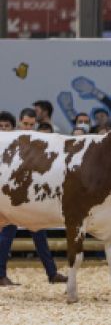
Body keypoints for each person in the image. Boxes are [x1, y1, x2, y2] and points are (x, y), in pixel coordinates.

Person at [0, 110, 67, 286]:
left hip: (32, 196)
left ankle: (52, 273)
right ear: (20, 124)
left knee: (39, 234)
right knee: (7, 235)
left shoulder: (36, 143)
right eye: (26, 124)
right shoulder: (13, 143)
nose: (28, 127)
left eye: (31, 124)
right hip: (13, 196)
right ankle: (0, 275)